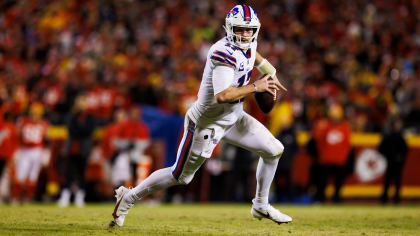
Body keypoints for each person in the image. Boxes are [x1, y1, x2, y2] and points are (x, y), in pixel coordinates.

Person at [109, 5, 292, 227]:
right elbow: (223, 95)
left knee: (274, 150)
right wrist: (257, 86)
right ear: (229, 28)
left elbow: (254, 55)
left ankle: (261, 204)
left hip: (234, 116)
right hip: (207, 123)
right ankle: (129, 197)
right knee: (181, 176)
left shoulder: (250, 43)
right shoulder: (222, 53)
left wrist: (271, 72)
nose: (245, 35)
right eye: (240, 29)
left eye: (249, 30)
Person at [312, 103, 351, 203]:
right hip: (326, 159)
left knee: (338, 183)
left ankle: (336, 199)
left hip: (339, 160)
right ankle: (320, 199)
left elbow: (347, 144)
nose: (335, 119)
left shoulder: (345, 127)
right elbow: (318, 140)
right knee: (322, 182)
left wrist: (343, 158)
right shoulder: (325, 125)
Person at [379, 118, 408, 204]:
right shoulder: (390, 136)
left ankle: (395, 198)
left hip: (397, 163)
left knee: (396, 181)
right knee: (388, 181)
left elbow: (405, 150)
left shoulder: (400, 137)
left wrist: (400, 157)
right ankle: (385, 198)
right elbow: (381, 148)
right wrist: (389, 156)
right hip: (391, 162)